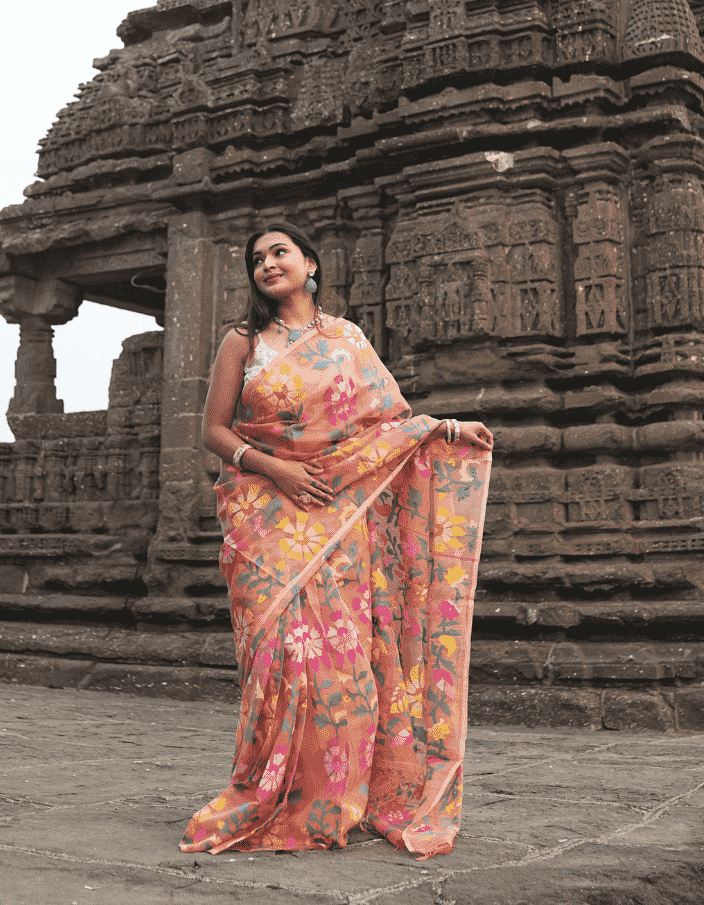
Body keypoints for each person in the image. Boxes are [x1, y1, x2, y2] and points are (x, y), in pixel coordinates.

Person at [180, 222, 493, 858]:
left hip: (337, 516)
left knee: (342, 667)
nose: (268, 264)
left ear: (309, 263)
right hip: (264, 514)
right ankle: (272, 794)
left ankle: (334, 802)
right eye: (257, 259)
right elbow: (213, 431)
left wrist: (446, 431)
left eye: (280, 253)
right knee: (283, 659)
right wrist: (278, 468)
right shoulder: (243, 341)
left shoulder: (346, 339)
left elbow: (389, 426)